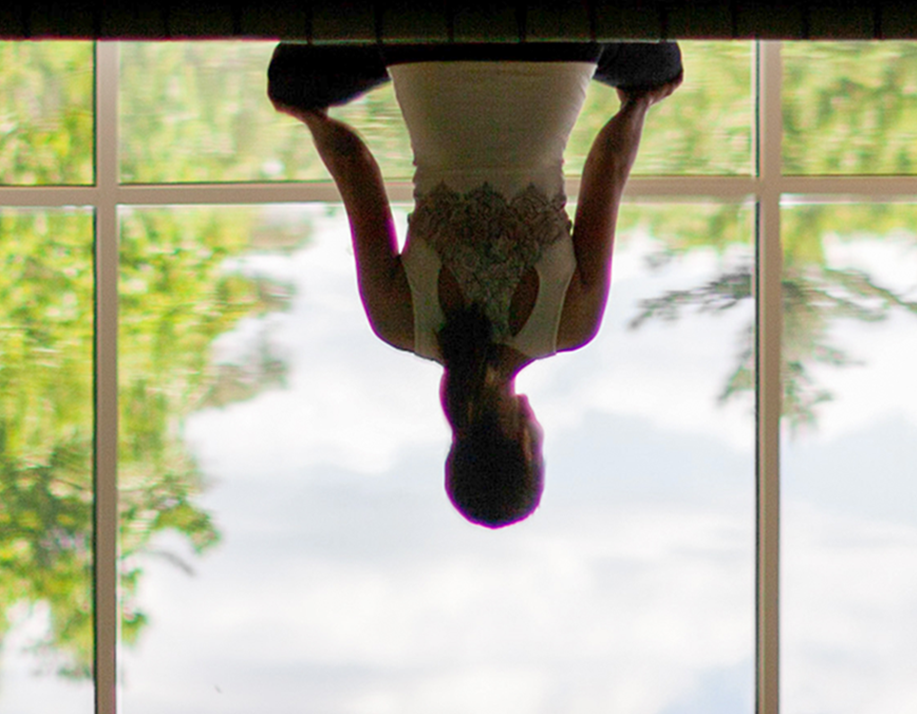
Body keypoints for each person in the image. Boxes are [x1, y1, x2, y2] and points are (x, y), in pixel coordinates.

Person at [268, 40, 683, 526]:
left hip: (562, 43)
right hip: (420, 45)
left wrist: (641, 103)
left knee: (663, 65)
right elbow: (355, 166)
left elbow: (608, 168)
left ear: (526, 446)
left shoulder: (570, 324)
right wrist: (310, 117)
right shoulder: (399, 322)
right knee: (289, 81)